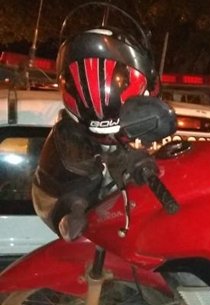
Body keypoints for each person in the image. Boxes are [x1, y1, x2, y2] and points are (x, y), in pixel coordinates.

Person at [32, 12, 161, 241]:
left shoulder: (144, 124)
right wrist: (72, 208)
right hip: (104, 245)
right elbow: (50, 196)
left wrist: (137, 163)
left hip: (143, 236)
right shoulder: (68, 141)